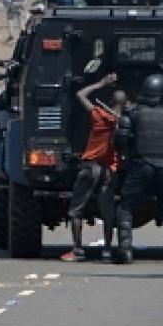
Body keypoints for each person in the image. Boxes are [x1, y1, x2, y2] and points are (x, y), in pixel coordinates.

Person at [114, 75, 163, 265]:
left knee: (126, 206)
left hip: (141, 164)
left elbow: (120, 139)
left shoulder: (133, 113)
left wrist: (127, 150)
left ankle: (125, 250)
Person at [63, 73, 127, 263]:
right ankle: (107, 249)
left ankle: (77, 249)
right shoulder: (124, 123)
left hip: (91, 166)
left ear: (111, 101)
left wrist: (100, 83)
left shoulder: (100, 115)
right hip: (109, 169)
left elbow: (81, 95)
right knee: (107, 211)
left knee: (77, 209)